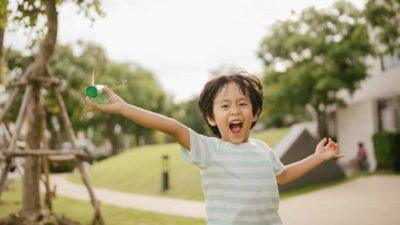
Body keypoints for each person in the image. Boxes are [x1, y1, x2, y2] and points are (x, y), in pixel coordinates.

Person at [86, 69, 342, 225]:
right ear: (210, 118)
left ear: (255, 113)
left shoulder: (262, 149)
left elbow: (284, 175)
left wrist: (318, 157)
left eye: (243, 104)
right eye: (225, 106)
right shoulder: (209, 150)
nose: (235, 110)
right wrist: (123, 108)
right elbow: (173, 127)